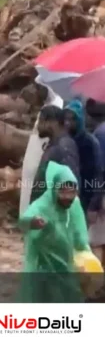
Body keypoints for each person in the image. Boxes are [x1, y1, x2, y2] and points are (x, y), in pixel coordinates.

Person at [18, 161, 91, 302]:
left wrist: (85, 253)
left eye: (72, 192)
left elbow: (80, 233)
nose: (68, 198)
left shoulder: (74, 205)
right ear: (55, 189)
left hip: (65, 263)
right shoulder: (43, 205)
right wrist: (33, 222)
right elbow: (23, 221)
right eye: (63, 192)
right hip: (43, 265)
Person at [30, 105, 80, 204]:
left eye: (40, 121)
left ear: (51, 122)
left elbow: (70, 186)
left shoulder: (63, 147)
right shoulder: (54, 144)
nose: (37, 126)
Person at [63, 99, 103, 214]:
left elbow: (97, 174)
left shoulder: (89, 142)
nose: (68, 123)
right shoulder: (64, 140)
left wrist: (93, 206)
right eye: (66, 119)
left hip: (85, 199)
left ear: (79, 120)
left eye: (72, 119)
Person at [86, 99, 105, 266]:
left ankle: (96, 287)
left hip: (102, 194)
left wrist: (94, 204)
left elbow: (99, 171)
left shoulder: (99, 134)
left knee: (97, 242)